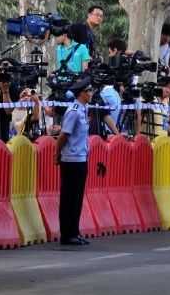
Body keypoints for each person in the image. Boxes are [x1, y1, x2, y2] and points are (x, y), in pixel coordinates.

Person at [54, 77, 94, 246]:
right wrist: (57, 155)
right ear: (82, 93)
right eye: (89, 91)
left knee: (77, 197)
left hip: (81, 158)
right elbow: (63, 135)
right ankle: (67, 233)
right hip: (71, 159)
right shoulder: (74, 111)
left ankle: (74, 231)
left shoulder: (83, 110)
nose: (91, 94)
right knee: (69, 198)